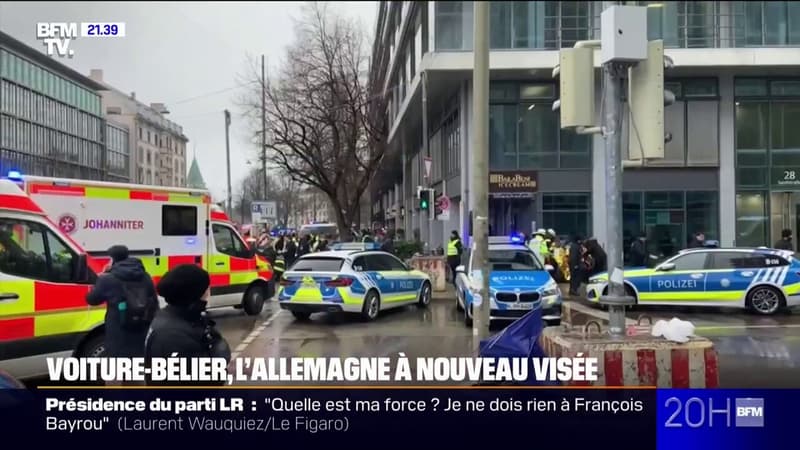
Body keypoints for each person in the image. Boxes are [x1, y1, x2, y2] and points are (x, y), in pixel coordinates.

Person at [145, 264, 230, 386]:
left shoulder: (171, 316)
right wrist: (219, 356)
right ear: (195, 295)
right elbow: (208, 381)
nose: (209, 291)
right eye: (206, 288)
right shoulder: (175, 335)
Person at [86, 245, 159, 384]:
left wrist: (100, 279)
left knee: (114, 375)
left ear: (112, 259)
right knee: (137, 374)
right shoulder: (144, 275)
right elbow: (153, 301)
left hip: (118, 331)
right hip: (140, 329)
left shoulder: (108, 278)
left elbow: (92, 299)